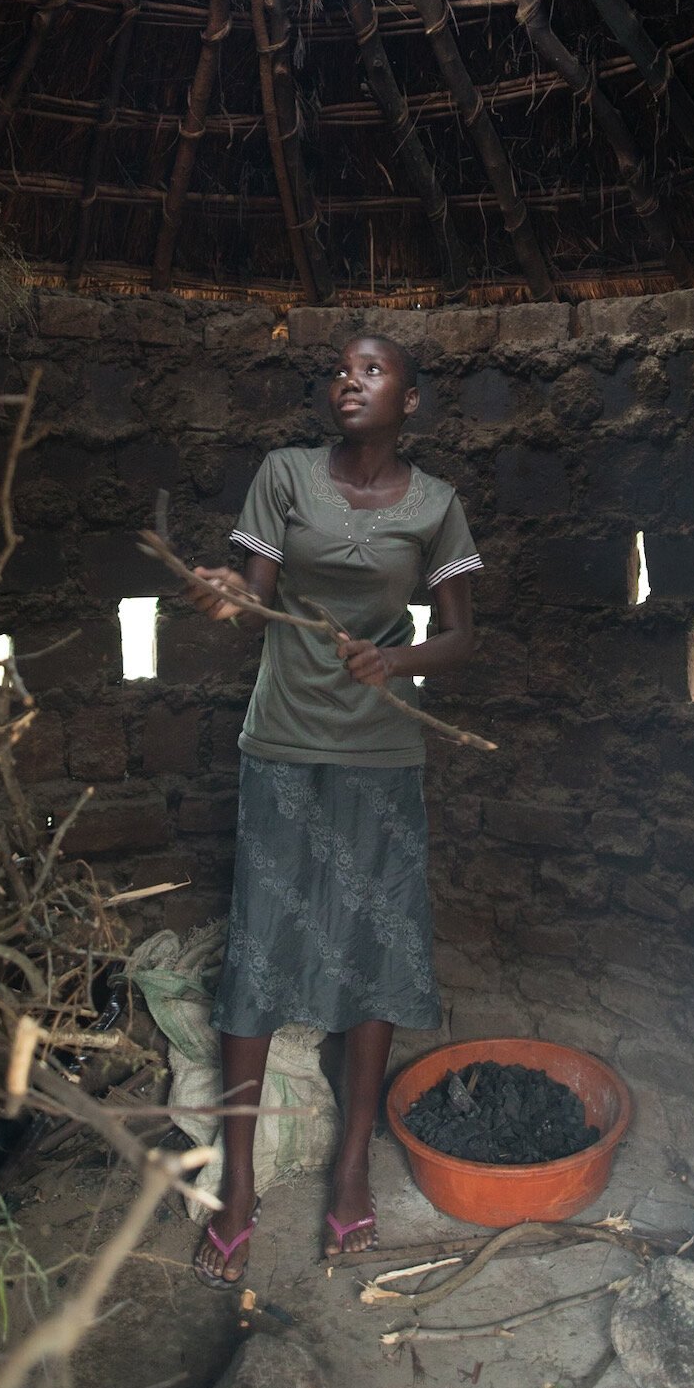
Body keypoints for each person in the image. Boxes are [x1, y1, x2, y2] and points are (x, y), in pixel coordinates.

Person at [186, 334, 481, 1285]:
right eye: (342, 371)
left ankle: (350, 1170)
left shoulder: (436, 507)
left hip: (381, 752)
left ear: (412, 400)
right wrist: (226, 595)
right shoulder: (284, 477)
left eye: (374, 371)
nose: (350, 382)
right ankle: (238, 1187)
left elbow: (462, 636)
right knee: (258, 946)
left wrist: (396, 661)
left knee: (376, 946)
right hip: (280, 742)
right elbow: (259, 600)